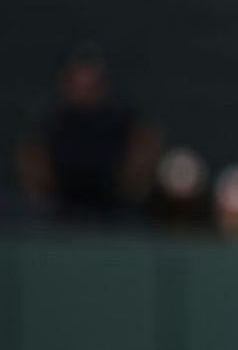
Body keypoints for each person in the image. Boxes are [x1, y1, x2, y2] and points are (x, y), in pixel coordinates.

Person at [17, 43, 161, 221]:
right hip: (62, 210)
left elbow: (146, 150)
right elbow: (33, 160)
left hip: (115, 209)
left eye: (90, 84)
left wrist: (131, 187)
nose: (83, 90)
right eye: (77, 83)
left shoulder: (123, 118)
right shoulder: (52, 122)